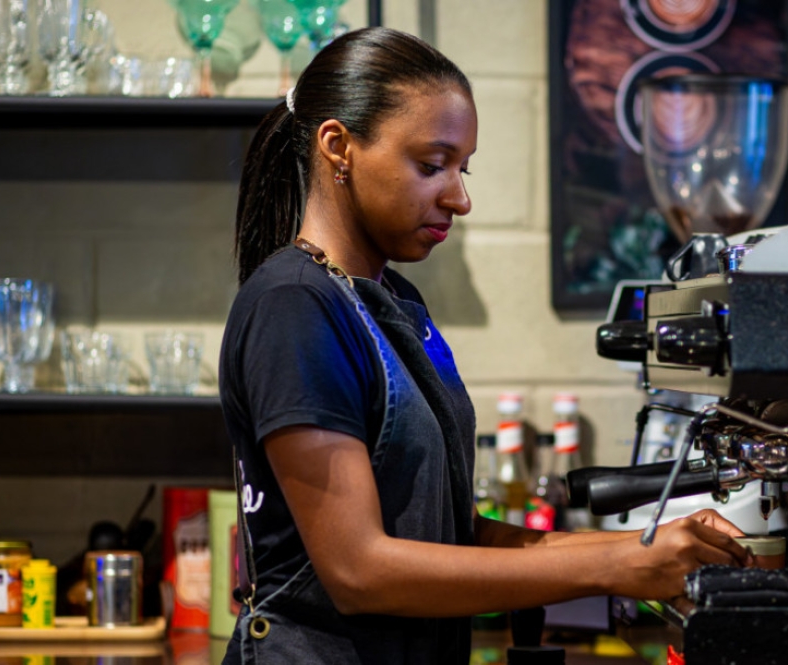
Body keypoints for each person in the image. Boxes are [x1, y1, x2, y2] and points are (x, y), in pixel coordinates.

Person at [219, 26, 749, 664]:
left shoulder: (392, 303)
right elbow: (359, 570)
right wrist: (614, 566)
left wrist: (652, 544)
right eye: (431, 164)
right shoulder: (295, 305)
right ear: (339, 147)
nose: (460, 198)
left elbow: (450, 537)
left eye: (462, 168)